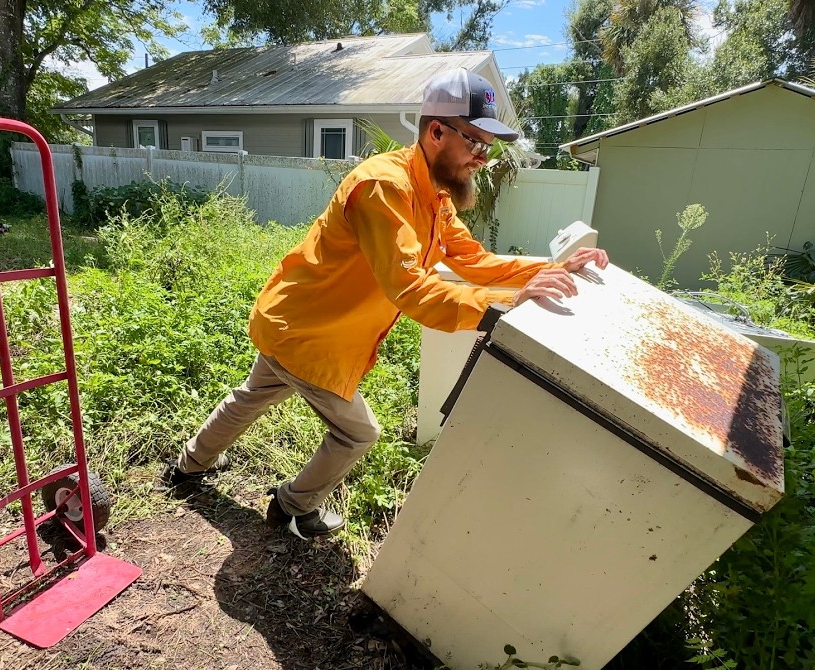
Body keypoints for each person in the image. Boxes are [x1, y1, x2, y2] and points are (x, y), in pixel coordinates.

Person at [161, 67, 609, 539]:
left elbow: (474, 260)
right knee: (358, 434)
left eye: (488, 146)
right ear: (437, 131)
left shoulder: (433, 195)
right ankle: (291, 505)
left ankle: (188, 467)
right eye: (475, 142)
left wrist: (548, 270)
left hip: (293, 319)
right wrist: (505, 305)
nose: (482, 157)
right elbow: (411, 290)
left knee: (251, 397)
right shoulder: (385, 187)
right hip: (310, 337)